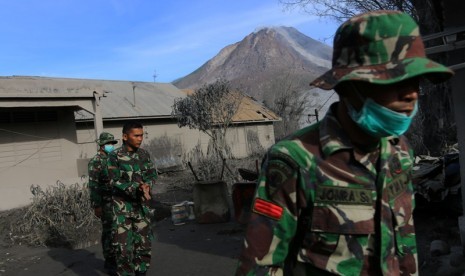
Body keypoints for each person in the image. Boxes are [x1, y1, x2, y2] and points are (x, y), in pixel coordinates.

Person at [236, 10, 454, 276]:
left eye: (416, 81)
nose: (411, 94)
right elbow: (260, 265)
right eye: (395, 80)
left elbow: (404, 244)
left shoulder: (401, 151)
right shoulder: (295, 161)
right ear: (350, 87)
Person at [108, 121, 157, 276]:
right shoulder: (114, 156)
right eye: (136, 135)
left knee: (143, 245)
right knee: (123, 249)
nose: (140, 139)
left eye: (141, 135)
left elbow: (151, 174)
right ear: (124, 136)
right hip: (122, 208)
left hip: (142, 207)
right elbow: (113, 180)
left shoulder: (144, 155)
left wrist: (147, 185)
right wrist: (135, 187)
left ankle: (141, 272)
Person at [88, 132, 118, 274]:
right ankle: (110, 261)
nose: (111, 146)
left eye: (112, 143)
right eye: (109, 144)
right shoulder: (96, 161)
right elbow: (93, 185)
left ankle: (119, 259)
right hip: (105, 202)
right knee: (109, 232)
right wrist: (97, 205)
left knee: (118, 230)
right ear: (102, 145)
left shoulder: (114, 158)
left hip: (117, 201)